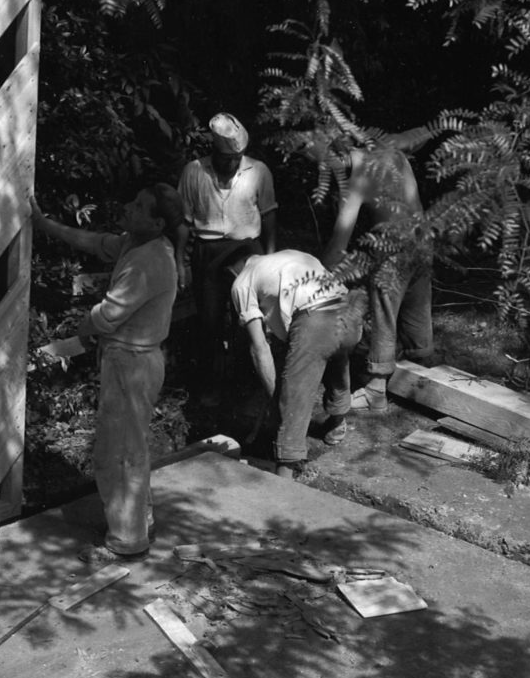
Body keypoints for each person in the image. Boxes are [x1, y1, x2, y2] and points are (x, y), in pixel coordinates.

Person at [30, 183, 184, 563]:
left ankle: (127, 542)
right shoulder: (138, 244)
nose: (129, 208)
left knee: (118, 454)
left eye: (139, 205)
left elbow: (109, 315)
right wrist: (45, 224)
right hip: (129, 359)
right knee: (128, 449)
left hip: (132, 363)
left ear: (157, 221)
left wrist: (77, 335)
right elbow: (95, 242)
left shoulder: (149, 260)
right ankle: (137, 522)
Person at [321, 129, 434, 416]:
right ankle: (422, 375)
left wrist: (319, 275)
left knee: (384, 312)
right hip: (423, 239)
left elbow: (340, 239)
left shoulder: (359, 174)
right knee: (416, 306)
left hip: (393, 247)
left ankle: (376, 392)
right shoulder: (393, 154)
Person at [230, 250, 368, 479]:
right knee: (336, 358)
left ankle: (285, 472)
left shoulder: (241, 281)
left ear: (233, 268)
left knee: (295, 395)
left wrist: (278, 400)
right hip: (351, 312)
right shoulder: (289, 256)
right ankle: (337, 422)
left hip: (316, 321)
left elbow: (259, 347)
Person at [176, 113, 277, 404]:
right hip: (207, 251)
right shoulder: (194, 172)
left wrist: (269, 257)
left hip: (247, 251)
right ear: (214, 152)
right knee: (208, 320)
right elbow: (183, 221)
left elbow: (269, 214)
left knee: (249, 320)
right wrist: (181, 262)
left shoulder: (259, 171)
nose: (231, 164)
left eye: (237, 158)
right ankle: (211, 386)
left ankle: (248, 384)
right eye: (225, 158)